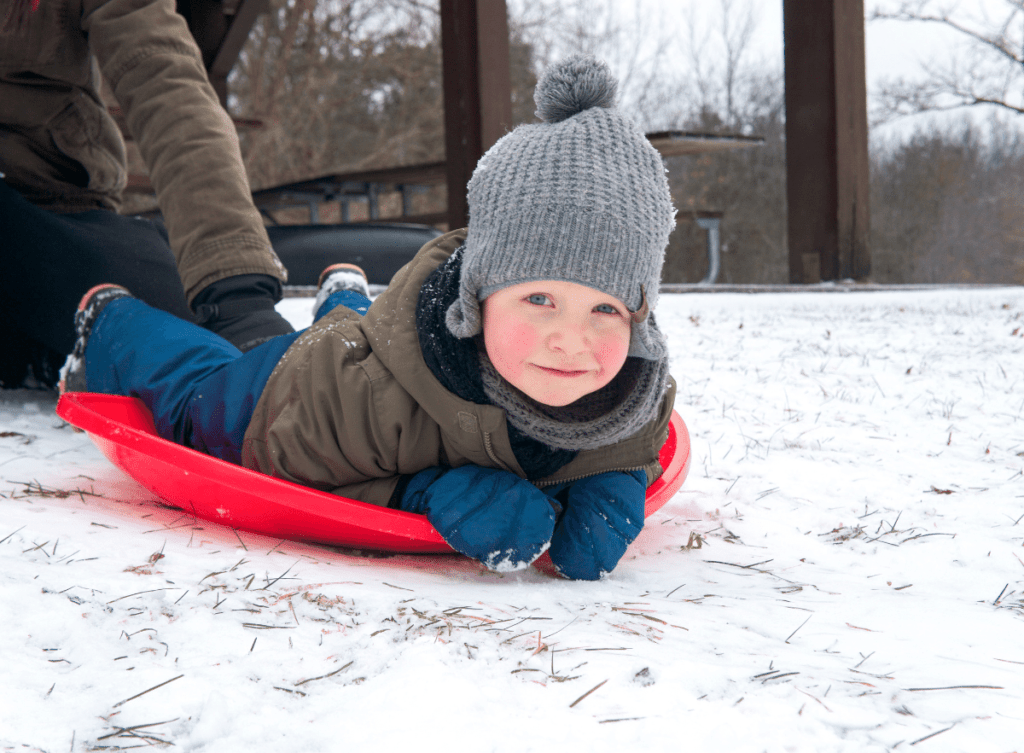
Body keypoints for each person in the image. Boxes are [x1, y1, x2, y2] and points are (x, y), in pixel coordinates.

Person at [59, 55, 678, 580]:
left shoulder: (629, 387)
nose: (572, 340)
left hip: (370, 355)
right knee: (197, 395)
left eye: (606, 309)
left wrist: (614, 476)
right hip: (290, 394)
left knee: (365, 330)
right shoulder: (360, 403)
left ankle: (345, 294)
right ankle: (114, 316)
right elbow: (284, 471)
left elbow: (640, 437)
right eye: (539, 299)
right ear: (477, 300)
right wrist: (423, 491)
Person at [0, 0, 292, 389]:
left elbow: (163, 75)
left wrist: (236, 293)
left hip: (48, 199)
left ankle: (37, 346)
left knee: (175, 332)